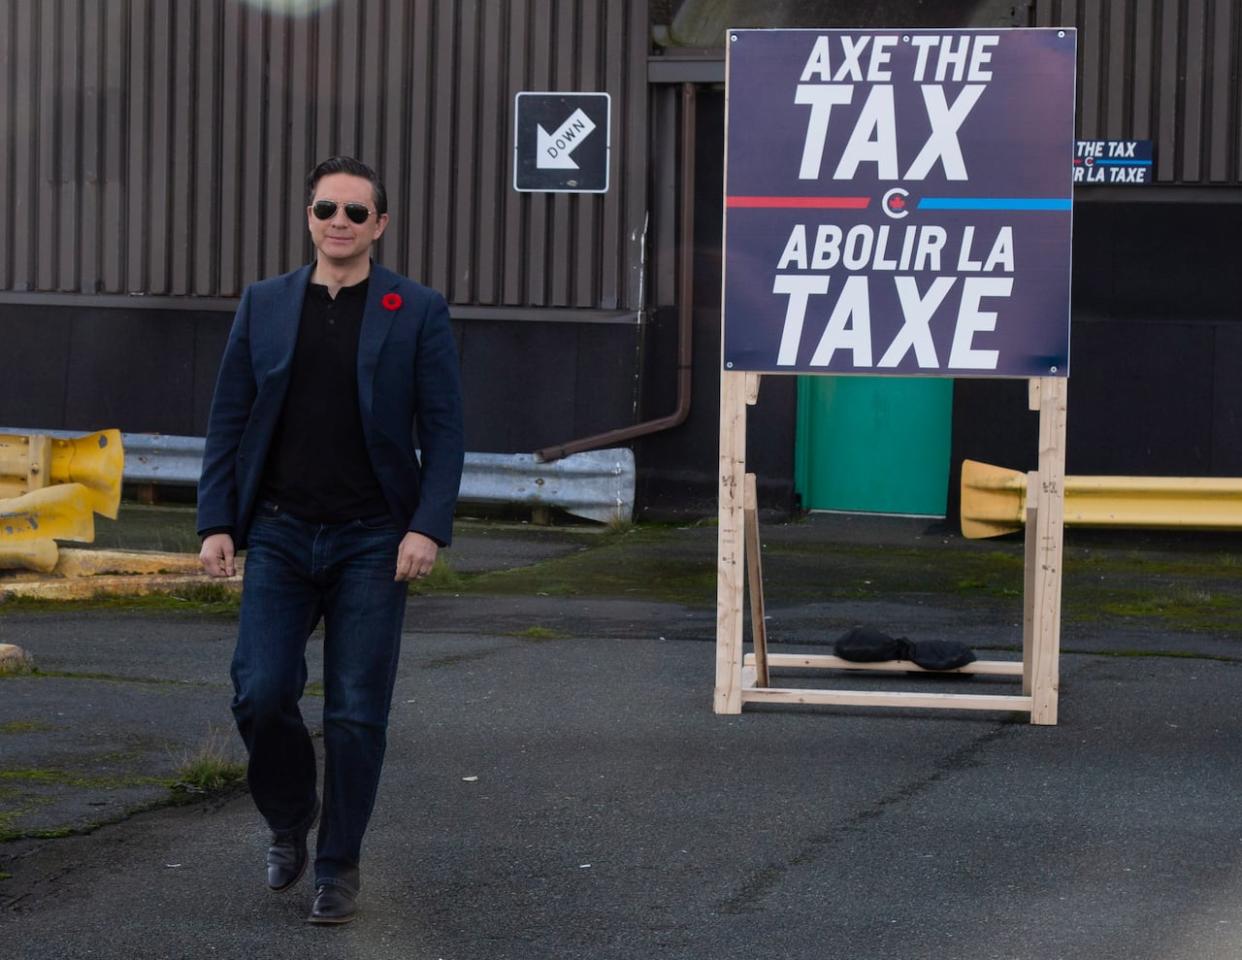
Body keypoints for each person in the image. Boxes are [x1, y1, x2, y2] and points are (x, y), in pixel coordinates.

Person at [197, 155, 464, 925]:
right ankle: (290, 819)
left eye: (355, 212)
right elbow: (229, 418)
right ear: (308, 217)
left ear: (379, 224)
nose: (338, 224)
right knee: (261, 690)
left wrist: (427, 525)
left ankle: (338, 867)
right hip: (279, 533)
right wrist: (217, 521)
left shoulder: (416, 309)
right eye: (326, 210)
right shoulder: (266, 304)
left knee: (355, 711)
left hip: (373, 540)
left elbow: (444, 431)